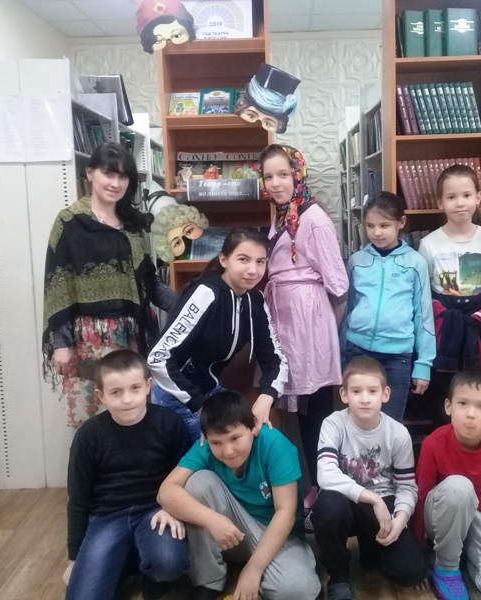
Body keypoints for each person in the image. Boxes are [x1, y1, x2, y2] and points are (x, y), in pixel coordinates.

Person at [43, 142, 177, 429]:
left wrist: (191, 307)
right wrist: (61, 345)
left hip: (133, 336)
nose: (115, 183)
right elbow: (57, 285)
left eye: (123, 176)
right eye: (108, 173)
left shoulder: (133, 225)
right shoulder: (69, 222)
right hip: (87, 339)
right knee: (90, 419)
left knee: (134, 415)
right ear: (90, 173)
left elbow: (150, 282)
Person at [157, 390, 321, 600]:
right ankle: (210, 579)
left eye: (235, 438)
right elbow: (166, 491)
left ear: (253, 427)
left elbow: (286, 513)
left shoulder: (274, 443)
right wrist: (212, 520)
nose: (228, 451)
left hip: (277, 534)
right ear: (205, 438)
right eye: (217, 442)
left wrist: (253, 570)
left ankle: (262, 571)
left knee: (299, 591)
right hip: (230, 531)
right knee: (197, 483)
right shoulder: (205, 447)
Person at [260, 143, 349, 505]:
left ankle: (325, 488)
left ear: (298, 174)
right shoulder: (281, 215)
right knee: (290, 406)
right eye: (269, 176)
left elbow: (338, 284)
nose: (276, 183)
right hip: (284, 317)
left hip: (308, 320)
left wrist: (323, 330)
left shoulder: (313, 218)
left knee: (316, 408)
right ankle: (304, 484)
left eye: (283, 174)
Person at [64, 350, 190, 600]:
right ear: (100, 395)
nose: (127, 399)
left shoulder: (169, 423)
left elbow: (187, 474)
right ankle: (123, 562)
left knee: (168, 562)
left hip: (156, 511)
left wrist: (173, 509)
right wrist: (74, 559)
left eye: (135, 388)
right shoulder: (88, 436)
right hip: (107, 517)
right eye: (116, 392)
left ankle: (144, 569)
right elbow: (78, 500)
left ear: (148, 386)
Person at [147, 228, 288, 444]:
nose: (253, 270)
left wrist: (266, 397)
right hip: (178, 395)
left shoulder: (255, 300)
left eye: (260, 262)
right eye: (243, 259)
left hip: (212, 391)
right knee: (218, 452)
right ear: (224, 260)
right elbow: (158, 358)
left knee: (256, 439)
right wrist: (200, 405)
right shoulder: (206, 293)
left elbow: (276, 360)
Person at [311, 356, 427, 600]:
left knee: (413, 572)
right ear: (344, 395)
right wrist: (373, 499)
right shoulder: (333, 424)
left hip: (384, 505)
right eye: (356, 391)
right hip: (346, 501)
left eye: (372, 391)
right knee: (328, 507)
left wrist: (401, 519)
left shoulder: (398, 433)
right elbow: (326, 474)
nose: (364, 398)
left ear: (385, 394)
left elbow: (407, 487)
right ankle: (338, 578)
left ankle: (371, 549)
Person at [415, 369, 481, 600]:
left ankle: (466, 560)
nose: (471, 414)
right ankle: (446, 567)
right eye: (462, 403)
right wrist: (417, 551)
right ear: (448, 406)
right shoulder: (433, 443)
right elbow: (422, 495)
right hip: (442, 517)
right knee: (460, 487)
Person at [342, 191, 435, 422]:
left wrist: (423, 364)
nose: (377, 232)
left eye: (384, 225)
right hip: (357, 351)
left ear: (401, 222)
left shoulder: (415, 263)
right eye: (370, 225)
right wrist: (341, 351)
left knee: (390, 423)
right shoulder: (356, 261)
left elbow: (423, 315)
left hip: (397, 357)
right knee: (358, 419)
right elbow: (347, 309)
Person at [418, 164, 481, 427]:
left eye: (466, 195)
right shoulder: (429, 243)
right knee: (445, 389)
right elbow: (423, 292)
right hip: (445, 324)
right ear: (440, 202)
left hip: (480, 324)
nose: (459, 203)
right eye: (451, 197)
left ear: (478, 197)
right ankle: (444, 440)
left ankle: (479, 440)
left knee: (480, 387)